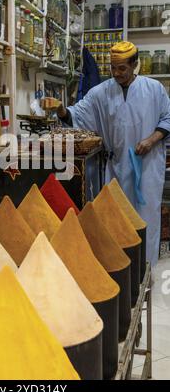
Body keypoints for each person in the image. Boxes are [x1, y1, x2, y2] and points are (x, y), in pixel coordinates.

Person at [57, 41, 170, 267]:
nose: (116, 73)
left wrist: (151, 140)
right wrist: (60, 109)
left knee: (145, 217)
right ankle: (119, 269)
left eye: (122, 68)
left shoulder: (154, 89)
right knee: (115, 219)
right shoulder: (100, 92)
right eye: (113, 67)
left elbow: (167, 119)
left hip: (147, 167)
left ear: (134, 65)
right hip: (115, 167)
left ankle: (145, 270)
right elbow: (77, 114)